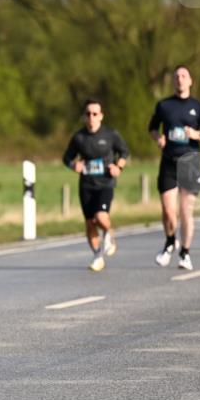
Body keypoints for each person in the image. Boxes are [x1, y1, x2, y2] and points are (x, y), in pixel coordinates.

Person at [148, 66, 200, 270]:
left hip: (190, 164)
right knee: (169, 211)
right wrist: (158, 138)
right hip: (169, 162)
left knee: (186, 212)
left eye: (184, 76)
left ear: (190, 81)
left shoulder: (199, 106)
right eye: (177, 76)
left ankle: (185, 253)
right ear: (174, 81)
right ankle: (170, 241)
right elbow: (152, 127)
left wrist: (196, 135)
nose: (180, 79)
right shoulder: (164, 105)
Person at [63, 99, 130, 271]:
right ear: (84, 117)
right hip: (86, 184)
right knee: (89, 223)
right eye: (88, 114)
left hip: (105, 183)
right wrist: (73, 165)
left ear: (101, 116)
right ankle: (97, 255)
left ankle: (109, 233)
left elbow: (124, 152)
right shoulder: (79, 137)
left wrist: (119, 167)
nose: (91, 117)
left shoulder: (110, 134)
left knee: (100, 216)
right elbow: (67, 158)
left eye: (95, 114)